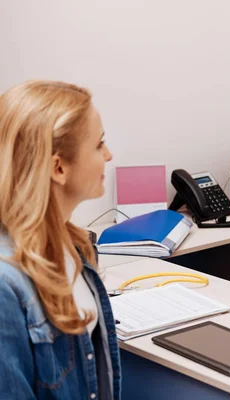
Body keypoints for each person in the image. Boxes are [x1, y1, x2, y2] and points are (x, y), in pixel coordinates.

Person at [0, 80, 120, 399]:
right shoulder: (6, 285)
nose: (108, 155)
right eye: (99, 145)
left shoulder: (74, 246)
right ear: (58, 167)